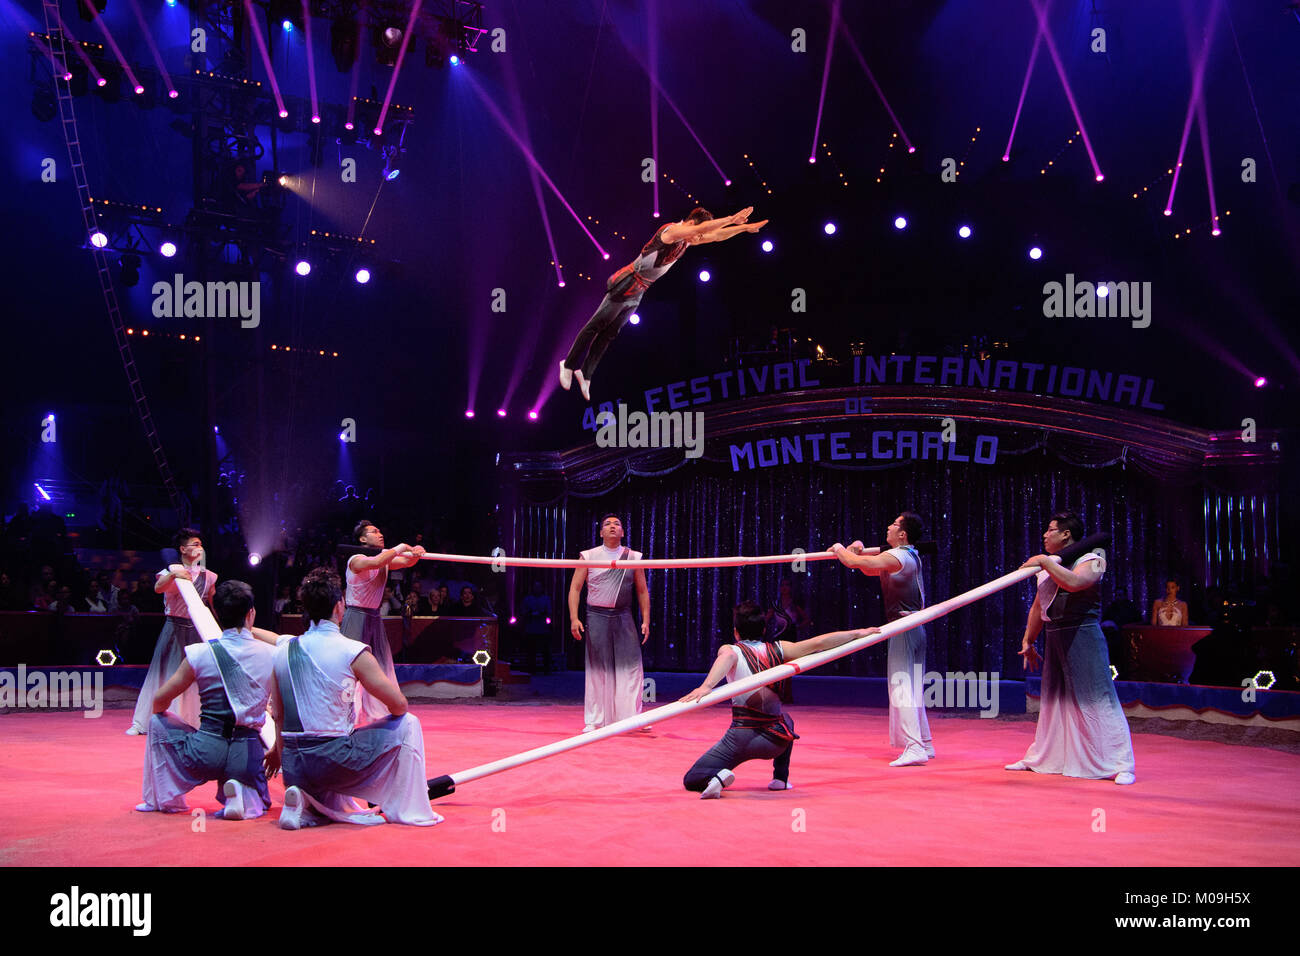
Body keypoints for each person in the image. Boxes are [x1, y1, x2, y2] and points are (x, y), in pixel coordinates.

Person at [266, 567, 442, 828]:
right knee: (408, 723)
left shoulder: (282, 651)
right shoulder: (352, 650)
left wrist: (281, 757)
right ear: (340, 606)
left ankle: (303, 798)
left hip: (292, 765)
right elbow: (399, 705)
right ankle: (408, 810)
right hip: (333, 762)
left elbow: (278, 716)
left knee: (326, 744)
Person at [558, 206, 768, 400]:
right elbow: (706, 229)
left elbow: (715, 236)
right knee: (596, 325)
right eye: (698, 231)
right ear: (692, 223)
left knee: (610, 333)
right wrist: (732, 218)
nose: (698, 237)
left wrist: (744, 228)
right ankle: (567, 365)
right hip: (628, 282)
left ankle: (585, 373)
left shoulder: (687, 240)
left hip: (639, 290)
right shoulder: (671, 231)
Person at [680, 601, 877, 797]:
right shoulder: (780, 649)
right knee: (787, 719)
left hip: (741, 739)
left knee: (693, 778)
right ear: (764, 629)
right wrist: (856, 633)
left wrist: (706, 686)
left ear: (736, 632)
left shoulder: (732, 650)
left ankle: (720, 777)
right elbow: (818, 643)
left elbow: (728, 656)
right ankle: (780, 778)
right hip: (777, 739)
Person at [1008, 511, 1136, 785]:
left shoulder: (1094, 559)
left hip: (1083, 634)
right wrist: (1028, 639)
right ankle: (1046, 757)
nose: (1044, 534)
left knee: (1096, 699)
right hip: (1055, 636)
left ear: (1066, 534)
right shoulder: (1050, 565)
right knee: (1054, 703)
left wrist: (1043, 562)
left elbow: (1076, 583)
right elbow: (1039, 605)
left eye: (1050, 529)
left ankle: (1120, 763)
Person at [136, 580, 278, 819]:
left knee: (157, 723)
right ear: (251, 613)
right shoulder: (272, 654)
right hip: (248, 750)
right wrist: (276, 750)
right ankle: (241, 795)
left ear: (217, 613)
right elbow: (281, 713)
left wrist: (171, 719)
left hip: (205, 751)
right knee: (261, 800)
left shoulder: (200, 652)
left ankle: (162, 800)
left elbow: (159, 699)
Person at [831, 512, 935, 766]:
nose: (888, 525)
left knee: (902, 687)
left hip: (904, 626)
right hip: (912, 626)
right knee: (911, 688)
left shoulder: (900, 555)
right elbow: (867, 568)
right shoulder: (904, 555)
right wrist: (855, 552)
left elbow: (854, 563)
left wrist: (839, 549)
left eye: (895, 523)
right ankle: (924, 742)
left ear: (903, 534)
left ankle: (914, 747)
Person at [127, 529, 217, 735]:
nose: (200, 547)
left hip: (195, 630)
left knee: (193, 677)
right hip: (173, 628)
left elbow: (213, 605)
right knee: (161, 674)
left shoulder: (209, 576)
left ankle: (190, 721)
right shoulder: (169, 572)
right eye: (195, 544)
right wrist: (175, 574)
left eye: (201, 544)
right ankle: (142, 722)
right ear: (183, 549)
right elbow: (158, 588)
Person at [568, 514, 650, 732]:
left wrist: (646, 619)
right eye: (607, 524)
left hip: (624, 616)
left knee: (631, 668)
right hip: (596, 616)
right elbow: (575, 588)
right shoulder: (588, 556)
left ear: (622, 532)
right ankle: (595, 720)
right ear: (600, 532)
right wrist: (574, 618)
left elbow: (642, 590)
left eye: (617, 524)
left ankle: (632, 718)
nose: (612, 527)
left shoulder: (633, 557)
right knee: (598, 669)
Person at [341, 520, 424, 723]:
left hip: (374, 618)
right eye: (373, 532)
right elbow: (376, 563)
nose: (380, 534)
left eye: (380, 531)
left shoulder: (385, 558)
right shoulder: (356, 559)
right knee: (350, 667)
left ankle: (379, 711)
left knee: (379, 667)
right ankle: (344, 713)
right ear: (362, 539)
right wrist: (400, 548)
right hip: (356, 616)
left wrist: (416, 553)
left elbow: (406, 562)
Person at [765, 578, 812, 642]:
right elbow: (766, 619)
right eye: (782, 585)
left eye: (786, 585)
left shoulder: (794, 603)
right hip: (779, 633)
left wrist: (797, 627)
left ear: (790, 588)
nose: (784, 587)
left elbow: (807, 619)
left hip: (791, 634)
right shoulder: (775, 603)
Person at [522, 580, 553, 674]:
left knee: (545, 651)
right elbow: (523, 611)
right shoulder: (528, 599)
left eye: (539, 587)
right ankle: (531, 669)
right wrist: (530, 613)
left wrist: (542, 613)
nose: (537, 589)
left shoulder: (546, 599)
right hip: (531, 629)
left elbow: (549, 611)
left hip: (543, 629)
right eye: (535, 587)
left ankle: (547, 669)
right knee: (531, 651)